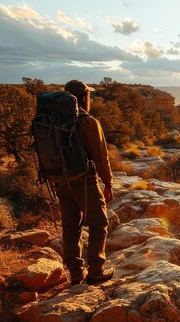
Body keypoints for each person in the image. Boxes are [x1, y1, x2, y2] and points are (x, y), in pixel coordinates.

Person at [56, 79, 115, 284]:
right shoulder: (88, 121)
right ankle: (96, 271)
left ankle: (75, 273)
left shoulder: (53, 121)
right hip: (84, 180)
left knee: (71, 226)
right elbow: (101, 156)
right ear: (84, 98)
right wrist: (108, 183)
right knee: (99, 223)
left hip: (60, 181)